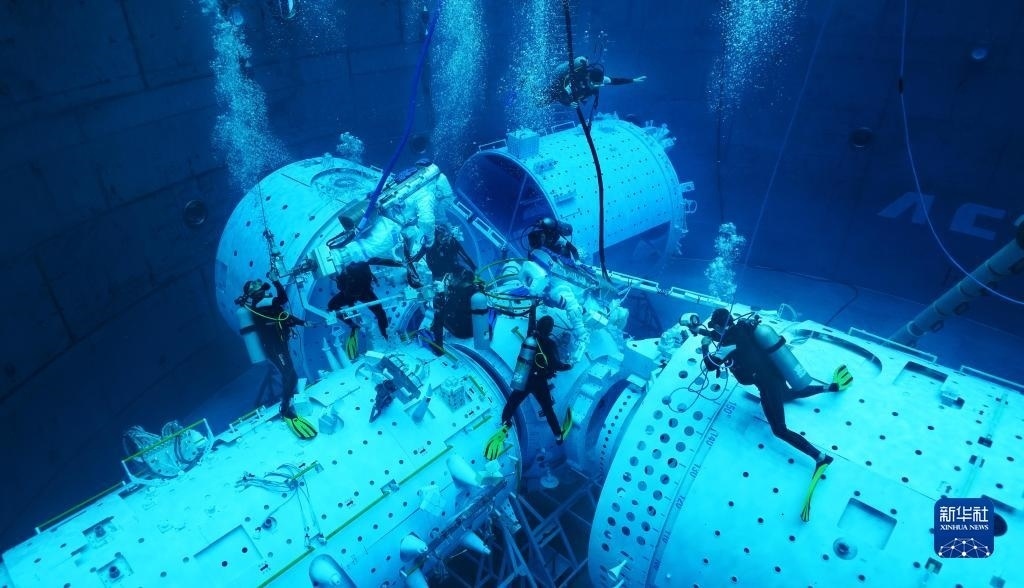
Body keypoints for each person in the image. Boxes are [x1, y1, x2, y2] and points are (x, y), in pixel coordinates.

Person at [702, 308, 852, 474]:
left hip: (766, 384)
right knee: (787, 394)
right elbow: (725, 338)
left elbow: (710, 365)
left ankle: (820, 458)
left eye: (714, 327)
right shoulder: (744, 327)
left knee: (779, 430)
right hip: (776, 373)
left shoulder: (728, 343)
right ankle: (831, 387)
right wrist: (703, 332)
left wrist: (704, 347)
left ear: (718, 326)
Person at [238, 276, 316, 439]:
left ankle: (288, 399)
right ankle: (285, 408)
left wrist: (303, 323)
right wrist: (275, 281)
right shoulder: (260, 303)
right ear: (252, 292)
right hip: (275, 348)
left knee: (288, 374)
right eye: (254, 284)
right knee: (291, 375)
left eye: (257, 282)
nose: (258, 283)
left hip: (280, 345)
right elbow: (283, 299)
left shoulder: (265, 302)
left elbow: (284, 316)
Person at [485, 313, 572, 460]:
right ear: (550, 330)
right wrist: (569, 366)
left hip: (524, 377)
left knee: (513, 402)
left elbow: (531, 322)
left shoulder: (531, 335)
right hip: (539, 381)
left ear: (538, 325)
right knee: (548, 409)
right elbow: (555, 365)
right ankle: (558, 436)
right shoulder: (550, 343)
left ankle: (505, 421)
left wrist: (533, 307)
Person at [327, 259, 402, 349]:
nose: (334, 278)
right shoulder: (359, 267)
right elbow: (378, 260)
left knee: (380, 313)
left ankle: (385, 335)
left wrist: (398, 264)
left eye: (333, 277)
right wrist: (398, 264)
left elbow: (347, 293)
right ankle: (385, 335)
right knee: (380, 313)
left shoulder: (348, 273)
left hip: (363, 292)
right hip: (360, 292)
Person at [543, 56, 646, 108]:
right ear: (588, 78)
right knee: (544, 100)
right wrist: (568, 103)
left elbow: (615, 81)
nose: (595, 86)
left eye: (598, 84)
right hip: (561, 87)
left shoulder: (601, 79)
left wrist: (633, 80)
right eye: (593, 84)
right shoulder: (575, 80)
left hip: (578, 94)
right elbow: (561, 95)